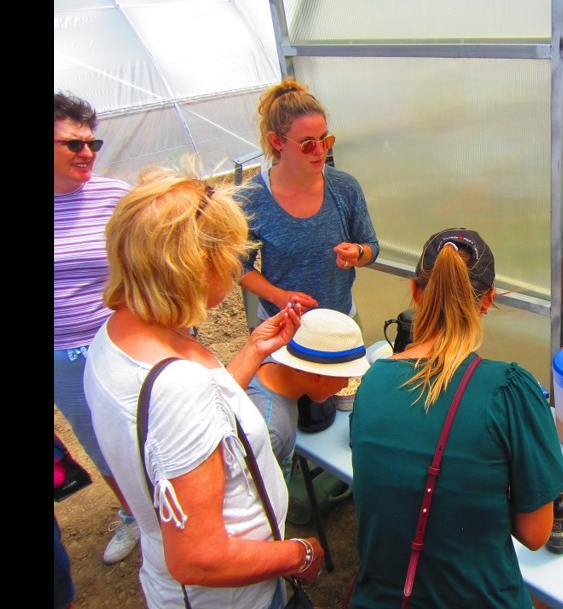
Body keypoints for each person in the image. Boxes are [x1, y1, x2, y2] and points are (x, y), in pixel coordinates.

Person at [83, 174, 324, 608]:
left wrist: (253, 349)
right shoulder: (177, 385)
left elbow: (200, 425)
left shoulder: (119, 335)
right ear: (191, 264)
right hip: (234, 598)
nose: (235, 268)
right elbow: (200, 557)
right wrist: (298, 553)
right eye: (228, 254)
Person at [349, 228, 563, 608]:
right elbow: (537, 534)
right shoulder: (511, 391)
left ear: (416, 292)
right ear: (489, 300)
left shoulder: (371, 384)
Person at [53, 91, 141, 565]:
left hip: (119, 342)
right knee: (100, 440)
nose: (87, 152)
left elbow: (146, 264)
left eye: (92, 143)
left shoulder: (113, 197)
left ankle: (167, 511)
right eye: (73, 144)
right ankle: (135, 516)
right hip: (62, 355)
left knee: (144, 429)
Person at [237, 77, 379, 328]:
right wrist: (278, 296)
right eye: (307, 144)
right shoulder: (252, 198)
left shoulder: (345, 187)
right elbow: (238, 266)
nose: (320, 151)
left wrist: (357, 253)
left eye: (325, 139)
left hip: (340, 321)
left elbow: (370, 246)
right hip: (280, 325)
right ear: (277, 142)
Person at [246, 307, 370, 468]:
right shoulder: (271, 429)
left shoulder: (268, 365)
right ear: (317, 374)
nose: (346, 384)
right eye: (345, 377)